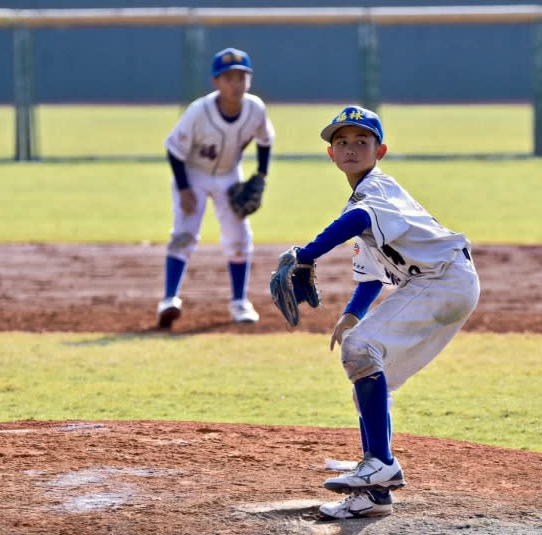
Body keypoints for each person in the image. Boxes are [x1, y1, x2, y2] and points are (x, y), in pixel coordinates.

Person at [292, 106, 480, 519]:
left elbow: (357, 218)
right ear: (331, 154)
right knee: (371, 373)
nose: (351, 148)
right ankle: (374, 495)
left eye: (362, 141)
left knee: (361, 351)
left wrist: (306, 254)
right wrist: (352, 314)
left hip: (443, 281)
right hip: (439, 283)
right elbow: (372, 276)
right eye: (342, 141)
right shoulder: (366, 201)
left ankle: (381, 462)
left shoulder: (376, 190)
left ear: (381, 151)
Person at [157, 47, 275, 328]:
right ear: (216, 82)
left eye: (241, 77)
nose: (236, 83)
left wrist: (261, 175)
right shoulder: (200, 111)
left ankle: (239, 302)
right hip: (193, 173)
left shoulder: (255, 108)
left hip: (228, 175)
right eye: (229, 77)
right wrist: (185, 189)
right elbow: (174, 150)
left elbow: (265, 140)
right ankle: (169, 299)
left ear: (249, 79)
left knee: (238, 237)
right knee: (184, 233)